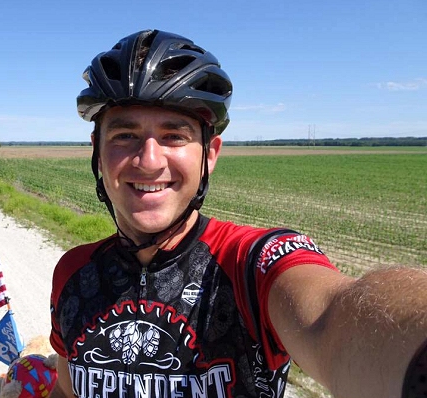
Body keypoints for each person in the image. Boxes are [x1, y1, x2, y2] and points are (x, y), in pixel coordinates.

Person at [49, 29, 427, 398]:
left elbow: (335, 319)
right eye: (124, 135)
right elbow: (67, 389)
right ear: (97, 150)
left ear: (209, 154)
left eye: (174, 136)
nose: (149, 161)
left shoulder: (251, 266)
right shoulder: (72, 273)